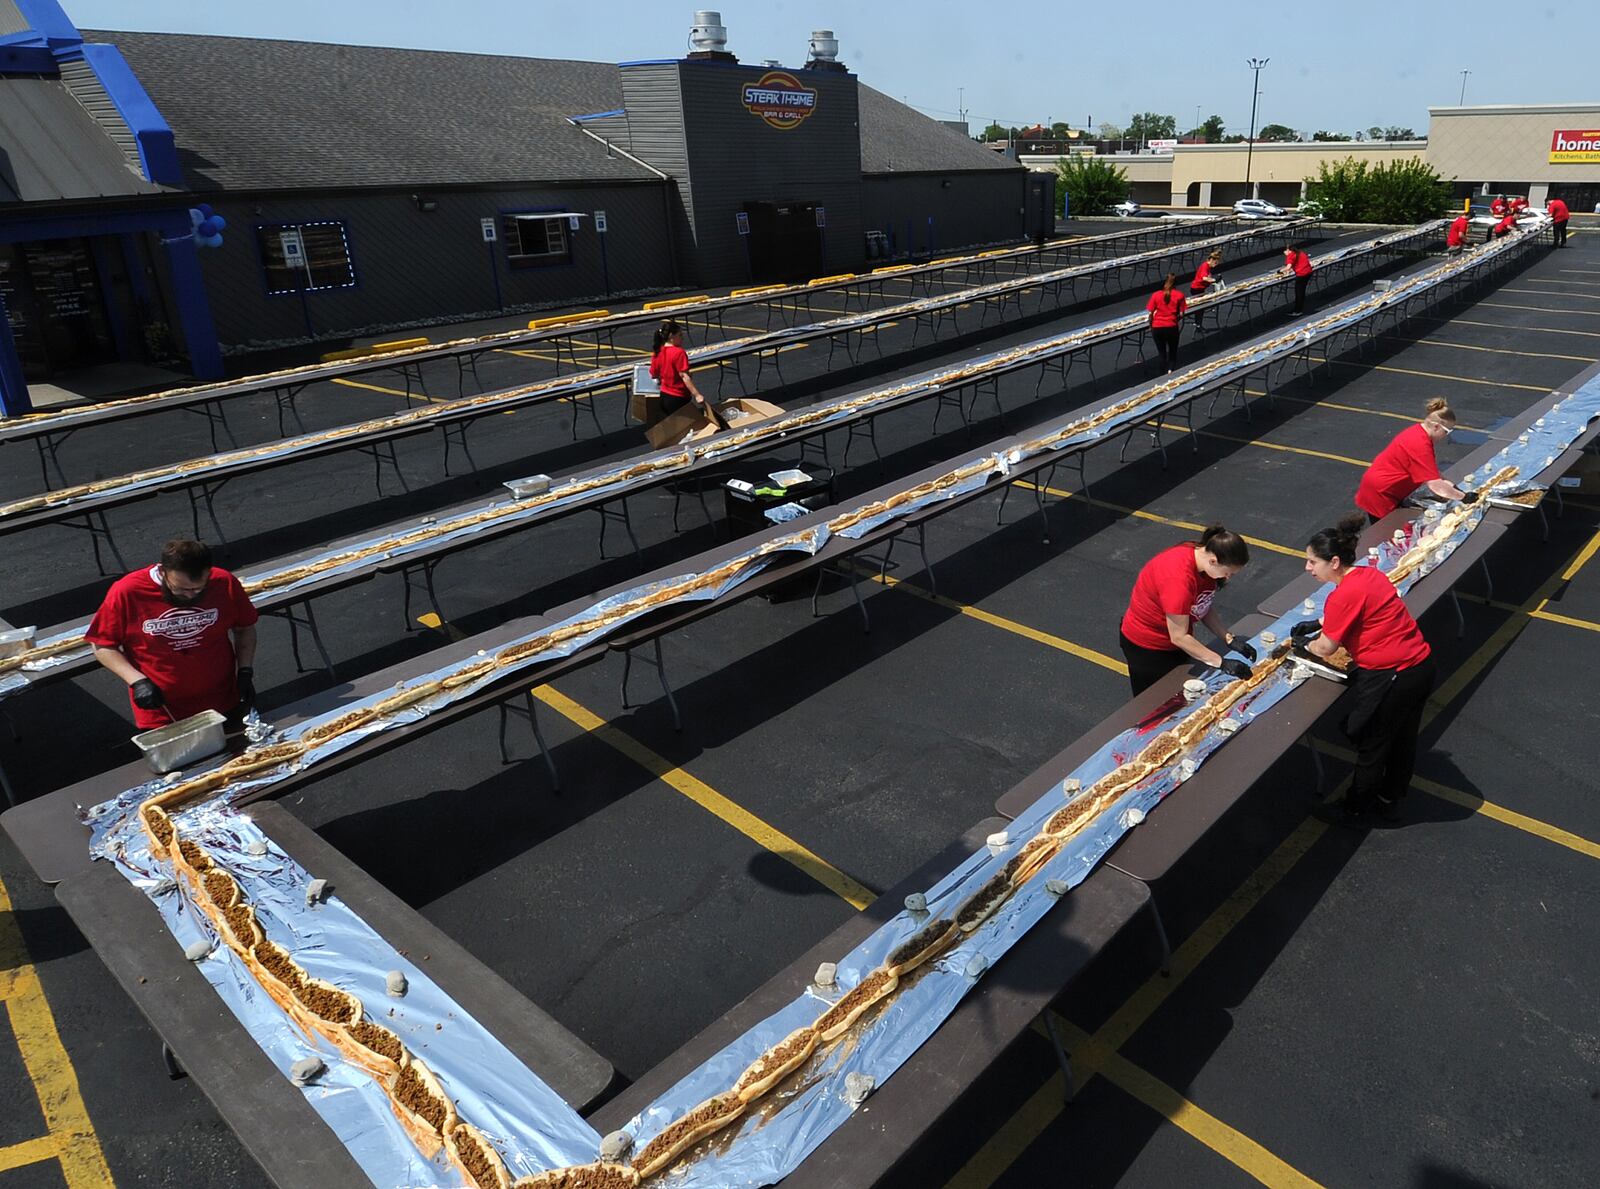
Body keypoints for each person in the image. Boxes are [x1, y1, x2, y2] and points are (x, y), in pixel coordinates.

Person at [1291, 514, 1436, 824]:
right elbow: (1366, 610)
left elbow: (1327, 648)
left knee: (1370, 741)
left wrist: (1303, 645)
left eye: (1311, 562)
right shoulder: (1371, 576)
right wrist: (1320, 623)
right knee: (1402, 738)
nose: (1307, 567)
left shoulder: (1341, 595)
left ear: (1332, 562)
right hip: (1420, 665)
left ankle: (1355, 808)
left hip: (1391, 676)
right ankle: (1389, 798)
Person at [86, 538, 259, 731]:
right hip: (164, 711)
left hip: (223, 700)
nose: (190, 595)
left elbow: (244, 628)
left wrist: (245, 670)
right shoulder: (127, 591)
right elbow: (102, 645)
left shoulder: (223, 582)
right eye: (181, 589)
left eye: (199, 588)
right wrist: (137, 681)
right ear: (162, 572)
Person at [1118, 525, 1254, 696]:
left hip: (1174, 644)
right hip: (1148, 649)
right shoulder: (1178, 581)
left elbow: (1202, 604)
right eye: (1228, 573)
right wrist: (1221, 662)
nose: (1228, 578)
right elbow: (1179, 636)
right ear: (1213, 561)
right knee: (1155, 703)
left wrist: (1227, 638)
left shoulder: (1202, 561)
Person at [1354, 397, 1473, 524]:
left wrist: (1452, 486)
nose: (1447, 436)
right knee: (1388, 531)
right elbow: (1436, 485)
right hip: (1381, 493)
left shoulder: (1419, 433)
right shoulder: (1420, 444)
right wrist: (1464, 497)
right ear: (1437, 427)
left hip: (1385, 488)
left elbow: (1431, 472)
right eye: (1447, 431)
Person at [648, 320, 723, 427]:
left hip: (664, 396)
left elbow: (654, 373)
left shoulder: (658, 351)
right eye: (680, 335)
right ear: (671, 336)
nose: (682, 338)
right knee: (690, 426)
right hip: (679, 397)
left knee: (674, 427)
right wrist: (697, 395)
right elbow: (684, 376)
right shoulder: (679, 352)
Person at [1145, 273, 1187, 374]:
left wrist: (1151, 325)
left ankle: (1161, 373)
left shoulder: (1156, 295)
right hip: (1171, 326)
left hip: (1157, 327)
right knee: (1173, 351)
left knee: (1162, 353)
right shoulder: (1179, 295)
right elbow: (1181, 314)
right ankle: (1170, 370)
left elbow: (1150, 313)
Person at [1283, 246, 1314, 315]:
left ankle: (1297, 310)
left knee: (1299, 292)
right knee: (1302, 291)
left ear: (1287, 250)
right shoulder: (1300, 253)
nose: (1284, 254)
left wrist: (1280, 271)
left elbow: (1288, 267)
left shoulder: (1291, 256)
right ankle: (1300, 307)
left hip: (1301, 274)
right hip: (1308, 272)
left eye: (1284, 252)